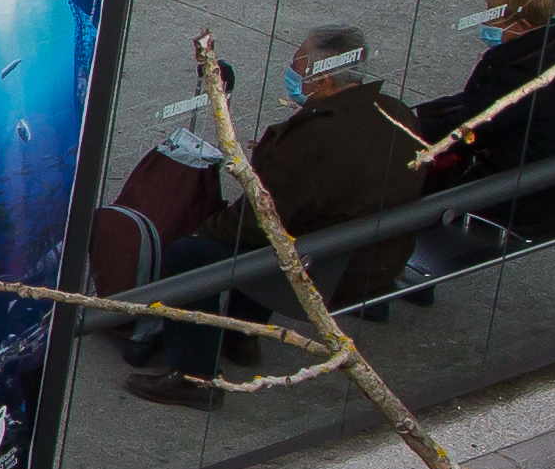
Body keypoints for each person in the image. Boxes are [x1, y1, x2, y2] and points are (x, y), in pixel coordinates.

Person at [131, 26, 420, 400]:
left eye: (297, 67)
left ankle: (194, 379)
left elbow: (257, 223)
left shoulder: (318, 138)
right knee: (272, 240)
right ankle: (241, 338)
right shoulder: (394, 111)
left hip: (332, 267)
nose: (291, 73)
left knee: (192, 254)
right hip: (378, 255)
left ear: (324, 79)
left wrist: (204, 229)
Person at [420, 0, 555, 238]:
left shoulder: (519, 76)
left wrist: (407, 125)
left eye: (492, 16)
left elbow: (464, 130)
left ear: (521, 26)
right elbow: (483, 108)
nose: (485, 22)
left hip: (518, 197)